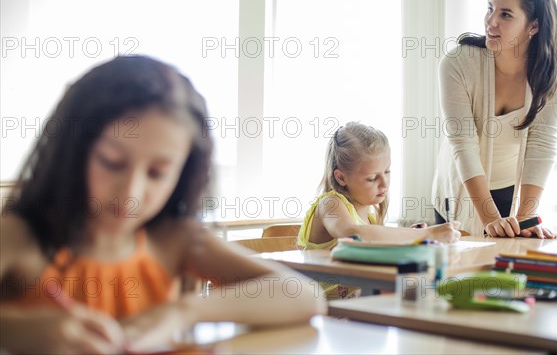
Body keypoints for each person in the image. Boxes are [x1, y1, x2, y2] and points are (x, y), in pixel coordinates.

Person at [0, 55, 325, 354]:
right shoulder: (19, 236)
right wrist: (17, 330)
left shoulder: (175, 240)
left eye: (158, 173)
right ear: (72, 151)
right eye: (112, 162)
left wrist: (184, 311)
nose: (131, 192)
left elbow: (304, 295)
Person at [432, 0, 557, 238]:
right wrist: (488, 219)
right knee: (459, 272)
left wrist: (525, 218)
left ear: (533, 26)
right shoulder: (457, 63)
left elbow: (542, 142)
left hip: (508, 187)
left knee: (504, 270)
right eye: (490, 9)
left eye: (506, 15)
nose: (491, 21)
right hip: (459, 188)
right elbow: (462, 143)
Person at [298, 121, 460, 250]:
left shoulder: (369, 218)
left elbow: (370, 243)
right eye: (372, 178)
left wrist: (411, 236)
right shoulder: (330, 204)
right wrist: (427, 234)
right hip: (319, 292)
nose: (384, 184)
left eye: (387, 172)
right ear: (341, 177)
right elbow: (352, 234)